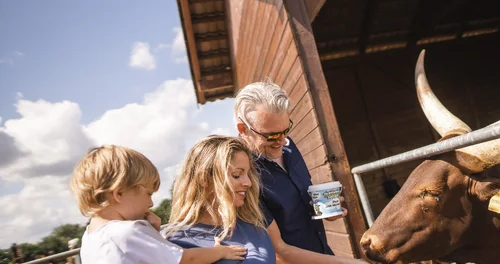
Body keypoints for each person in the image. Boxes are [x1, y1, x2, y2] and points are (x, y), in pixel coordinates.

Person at [163, 135, 363, 264]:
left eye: (248, 174)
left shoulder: (253, 222)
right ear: (204, 179)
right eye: (236, 175)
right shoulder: (173, 241)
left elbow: (282, 252)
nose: (248, 183)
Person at [69, 145, 247, 264]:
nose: (151, 203)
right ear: (119, 194)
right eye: (148, 194)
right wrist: (221, 252)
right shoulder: (127, 232)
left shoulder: (90, 237)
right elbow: (186, 259)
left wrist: (153, 233)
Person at [234, 80, 346, 255]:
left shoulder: (288, 145)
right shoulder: (242, 176)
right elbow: (277, 252)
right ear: (243, 129)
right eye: (271, 136)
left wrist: (324, 210)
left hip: (323, 253)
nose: (281, 140)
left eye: (286, 130)